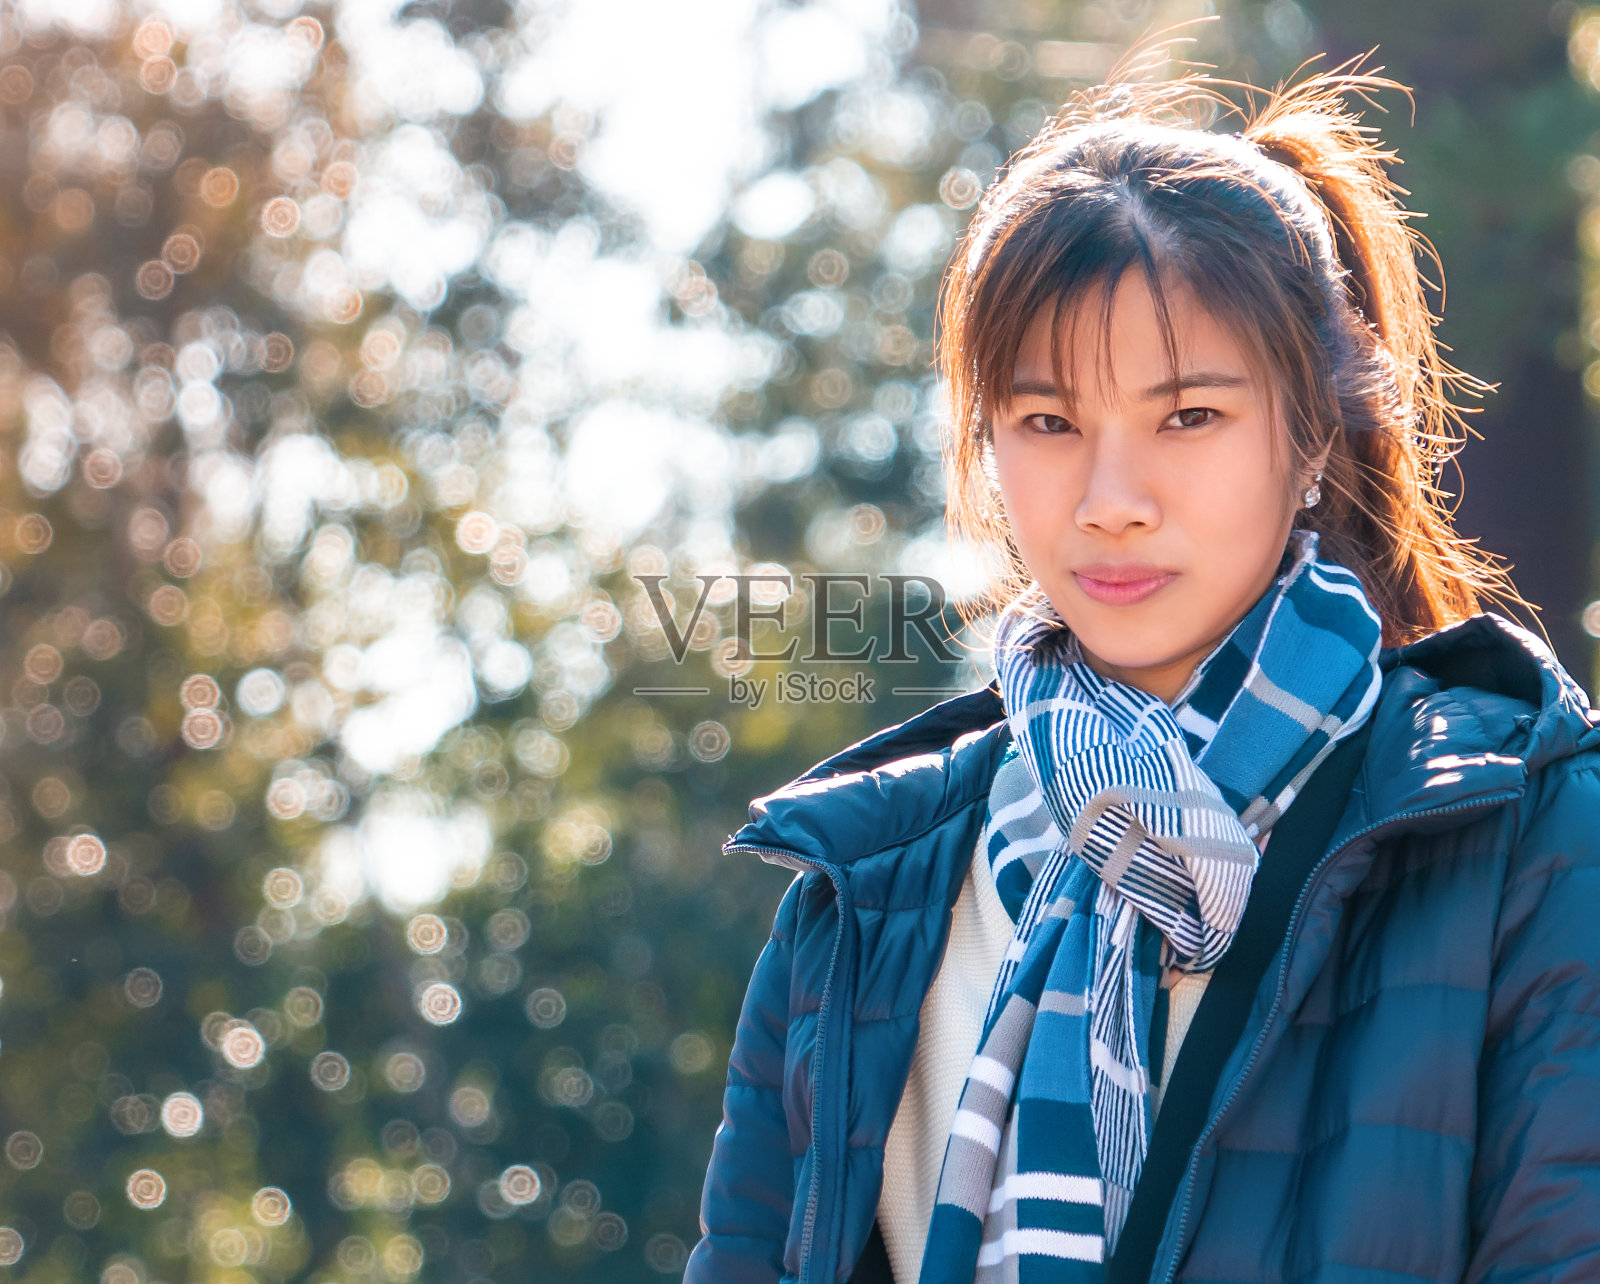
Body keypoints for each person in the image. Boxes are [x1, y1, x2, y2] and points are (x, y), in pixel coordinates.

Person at [685, 55, 1600, 1284]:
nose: (1110, 500)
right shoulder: (860, 898)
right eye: (1048, 422)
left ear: (1310, 437)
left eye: (1188, 417)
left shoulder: (1524, 831)